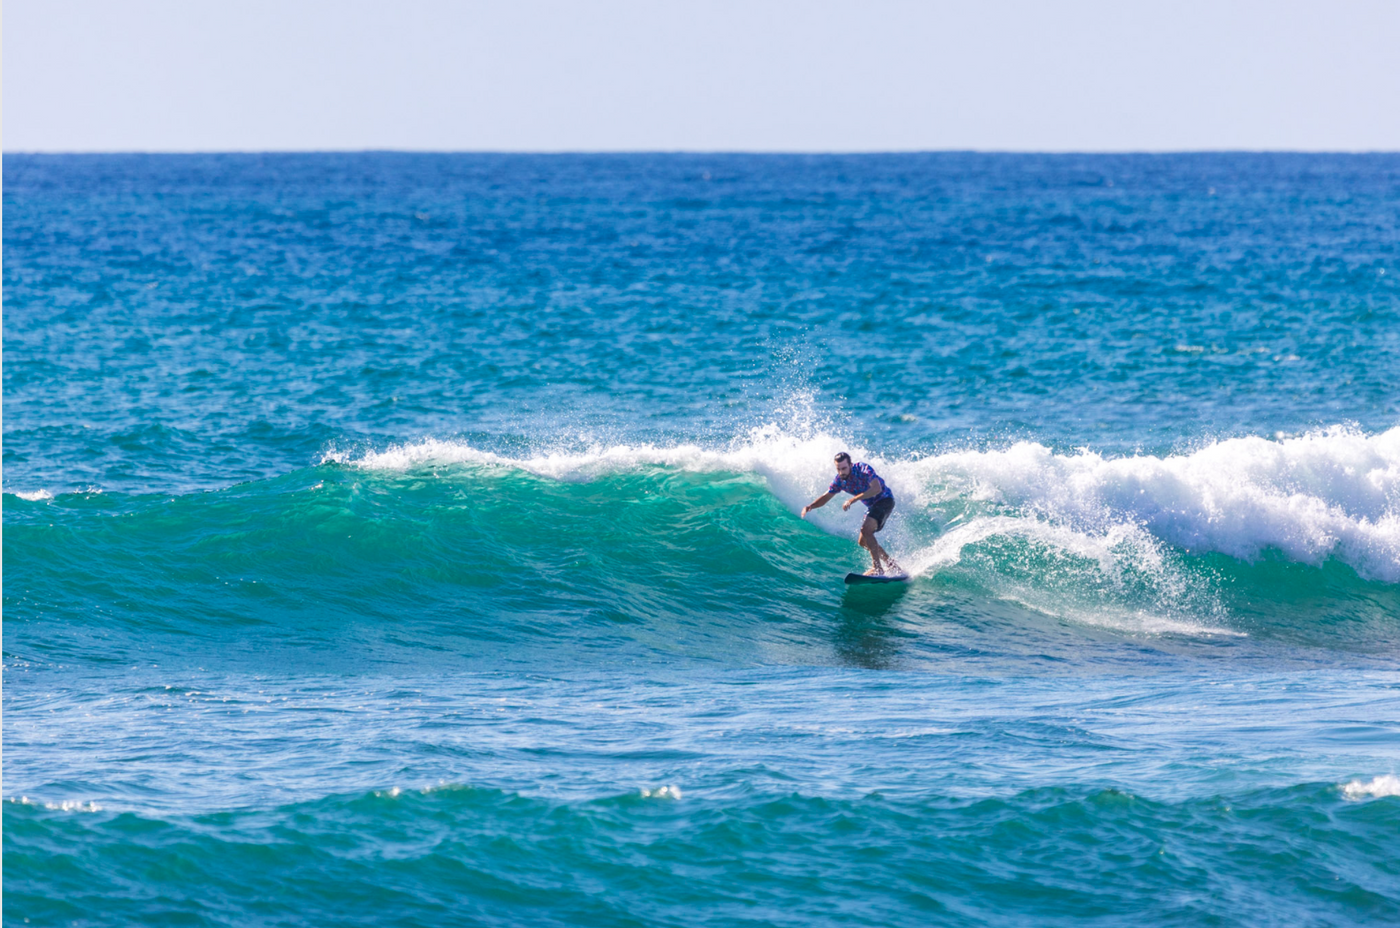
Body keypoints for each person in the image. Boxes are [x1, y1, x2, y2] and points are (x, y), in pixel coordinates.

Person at [801, 452, 900, 576]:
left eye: (844, 468)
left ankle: (877, 568)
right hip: (872, 506)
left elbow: (876, 489)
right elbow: (826, 496)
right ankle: (891, 565)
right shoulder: (839, 480)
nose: (841, 472)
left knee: (866, 530)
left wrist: (852, 500)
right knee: (863, 542)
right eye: (838, 469)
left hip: (885, 500)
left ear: (851, 465)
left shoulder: (863, 469)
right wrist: (811, 506)